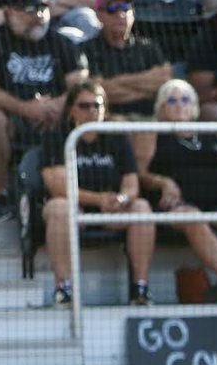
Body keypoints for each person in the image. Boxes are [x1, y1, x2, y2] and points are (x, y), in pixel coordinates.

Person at [135, 79, 217, 305]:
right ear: (161, 107)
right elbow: (140, 173)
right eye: (171, 100)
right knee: (194, 217)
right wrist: (162, 182)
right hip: (177, 205)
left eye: (185, 99)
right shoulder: (152, 132)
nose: (179, 105)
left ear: (194, 105)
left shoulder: (211, 130)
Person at [0, 0, 89, 219]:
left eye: (43, 8)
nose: (39, 15)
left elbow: (81, 85)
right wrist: (24, 108)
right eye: (31, 9)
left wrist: (55, 105)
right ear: (10, 11)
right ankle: (3, 196)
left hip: (57, 120)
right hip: (12, 120)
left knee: (89, 107)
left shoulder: (62, 43)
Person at [41, 81, 154, 305]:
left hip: (111, 211)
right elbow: (58, 186)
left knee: (141, 207)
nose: (92, 111)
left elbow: (131, 184)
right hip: (74, 210)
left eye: (97, 105)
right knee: (59, 207)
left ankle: (139, 289)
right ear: (71, 109)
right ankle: (63, 289)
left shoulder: (116, 137)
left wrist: (121, 199)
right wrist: (98, 199)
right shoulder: (57, 136)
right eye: (84, 105)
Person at [81, 0, 171, 119]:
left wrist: (115, 83)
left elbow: (164, 82)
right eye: (112, 9)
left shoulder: (149, 47)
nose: (121, 14)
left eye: (125, 7)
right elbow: (97, 92)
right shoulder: (88, 49)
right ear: (98, 15)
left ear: (133, 13)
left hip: (150, 118)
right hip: (108, 119)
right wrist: (147, 87)